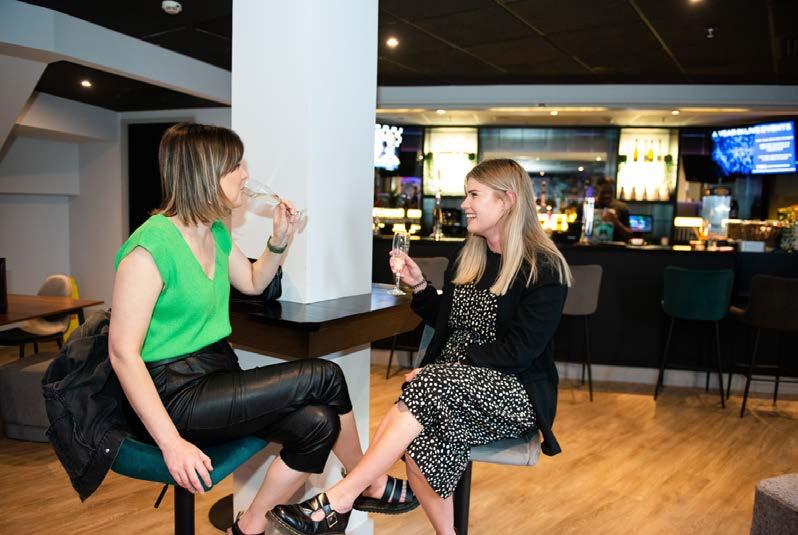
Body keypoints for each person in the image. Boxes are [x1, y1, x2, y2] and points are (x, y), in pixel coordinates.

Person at [109, 123, 416, 535]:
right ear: (205, 173)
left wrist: (279, 239)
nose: (246, 174)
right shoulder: (149, 248)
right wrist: (171, 443)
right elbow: (122, 354)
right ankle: (366, 481)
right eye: (235, 166)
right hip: (173, 393)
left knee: (319, 422)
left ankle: (250, 526)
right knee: (325, 375)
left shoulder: (215, 232)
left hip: (215, 373)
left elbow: (253, 282)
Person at [269, 158, 572, 535]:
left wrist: (450, 369)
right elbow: (446, 321)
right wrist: (419, 286)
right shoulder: (470, 256)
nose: (464, 204)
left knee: (426, 387)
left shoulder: (544, 268)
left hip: (513, 391)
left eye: (474, 195)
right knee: (422, 440)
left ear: (507, 200)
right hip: (446, 386)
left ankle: (343, 497)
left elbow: (520, 352)